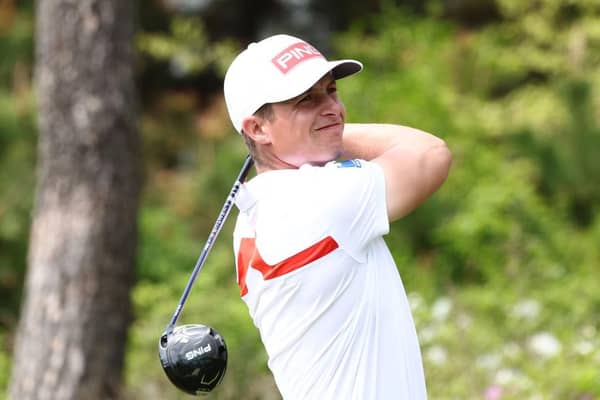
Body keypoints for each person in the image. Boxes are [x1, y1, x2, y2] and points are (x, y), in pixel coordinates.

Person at [223, 34, 452, 399]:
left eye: (331, 91)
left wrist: (315, 131)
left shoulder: (259, 206)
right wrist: (330, 132)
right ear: (257, 128)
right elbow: (430, 153)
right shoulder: (322, 198)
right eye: (306, 100)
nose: (332, 107)